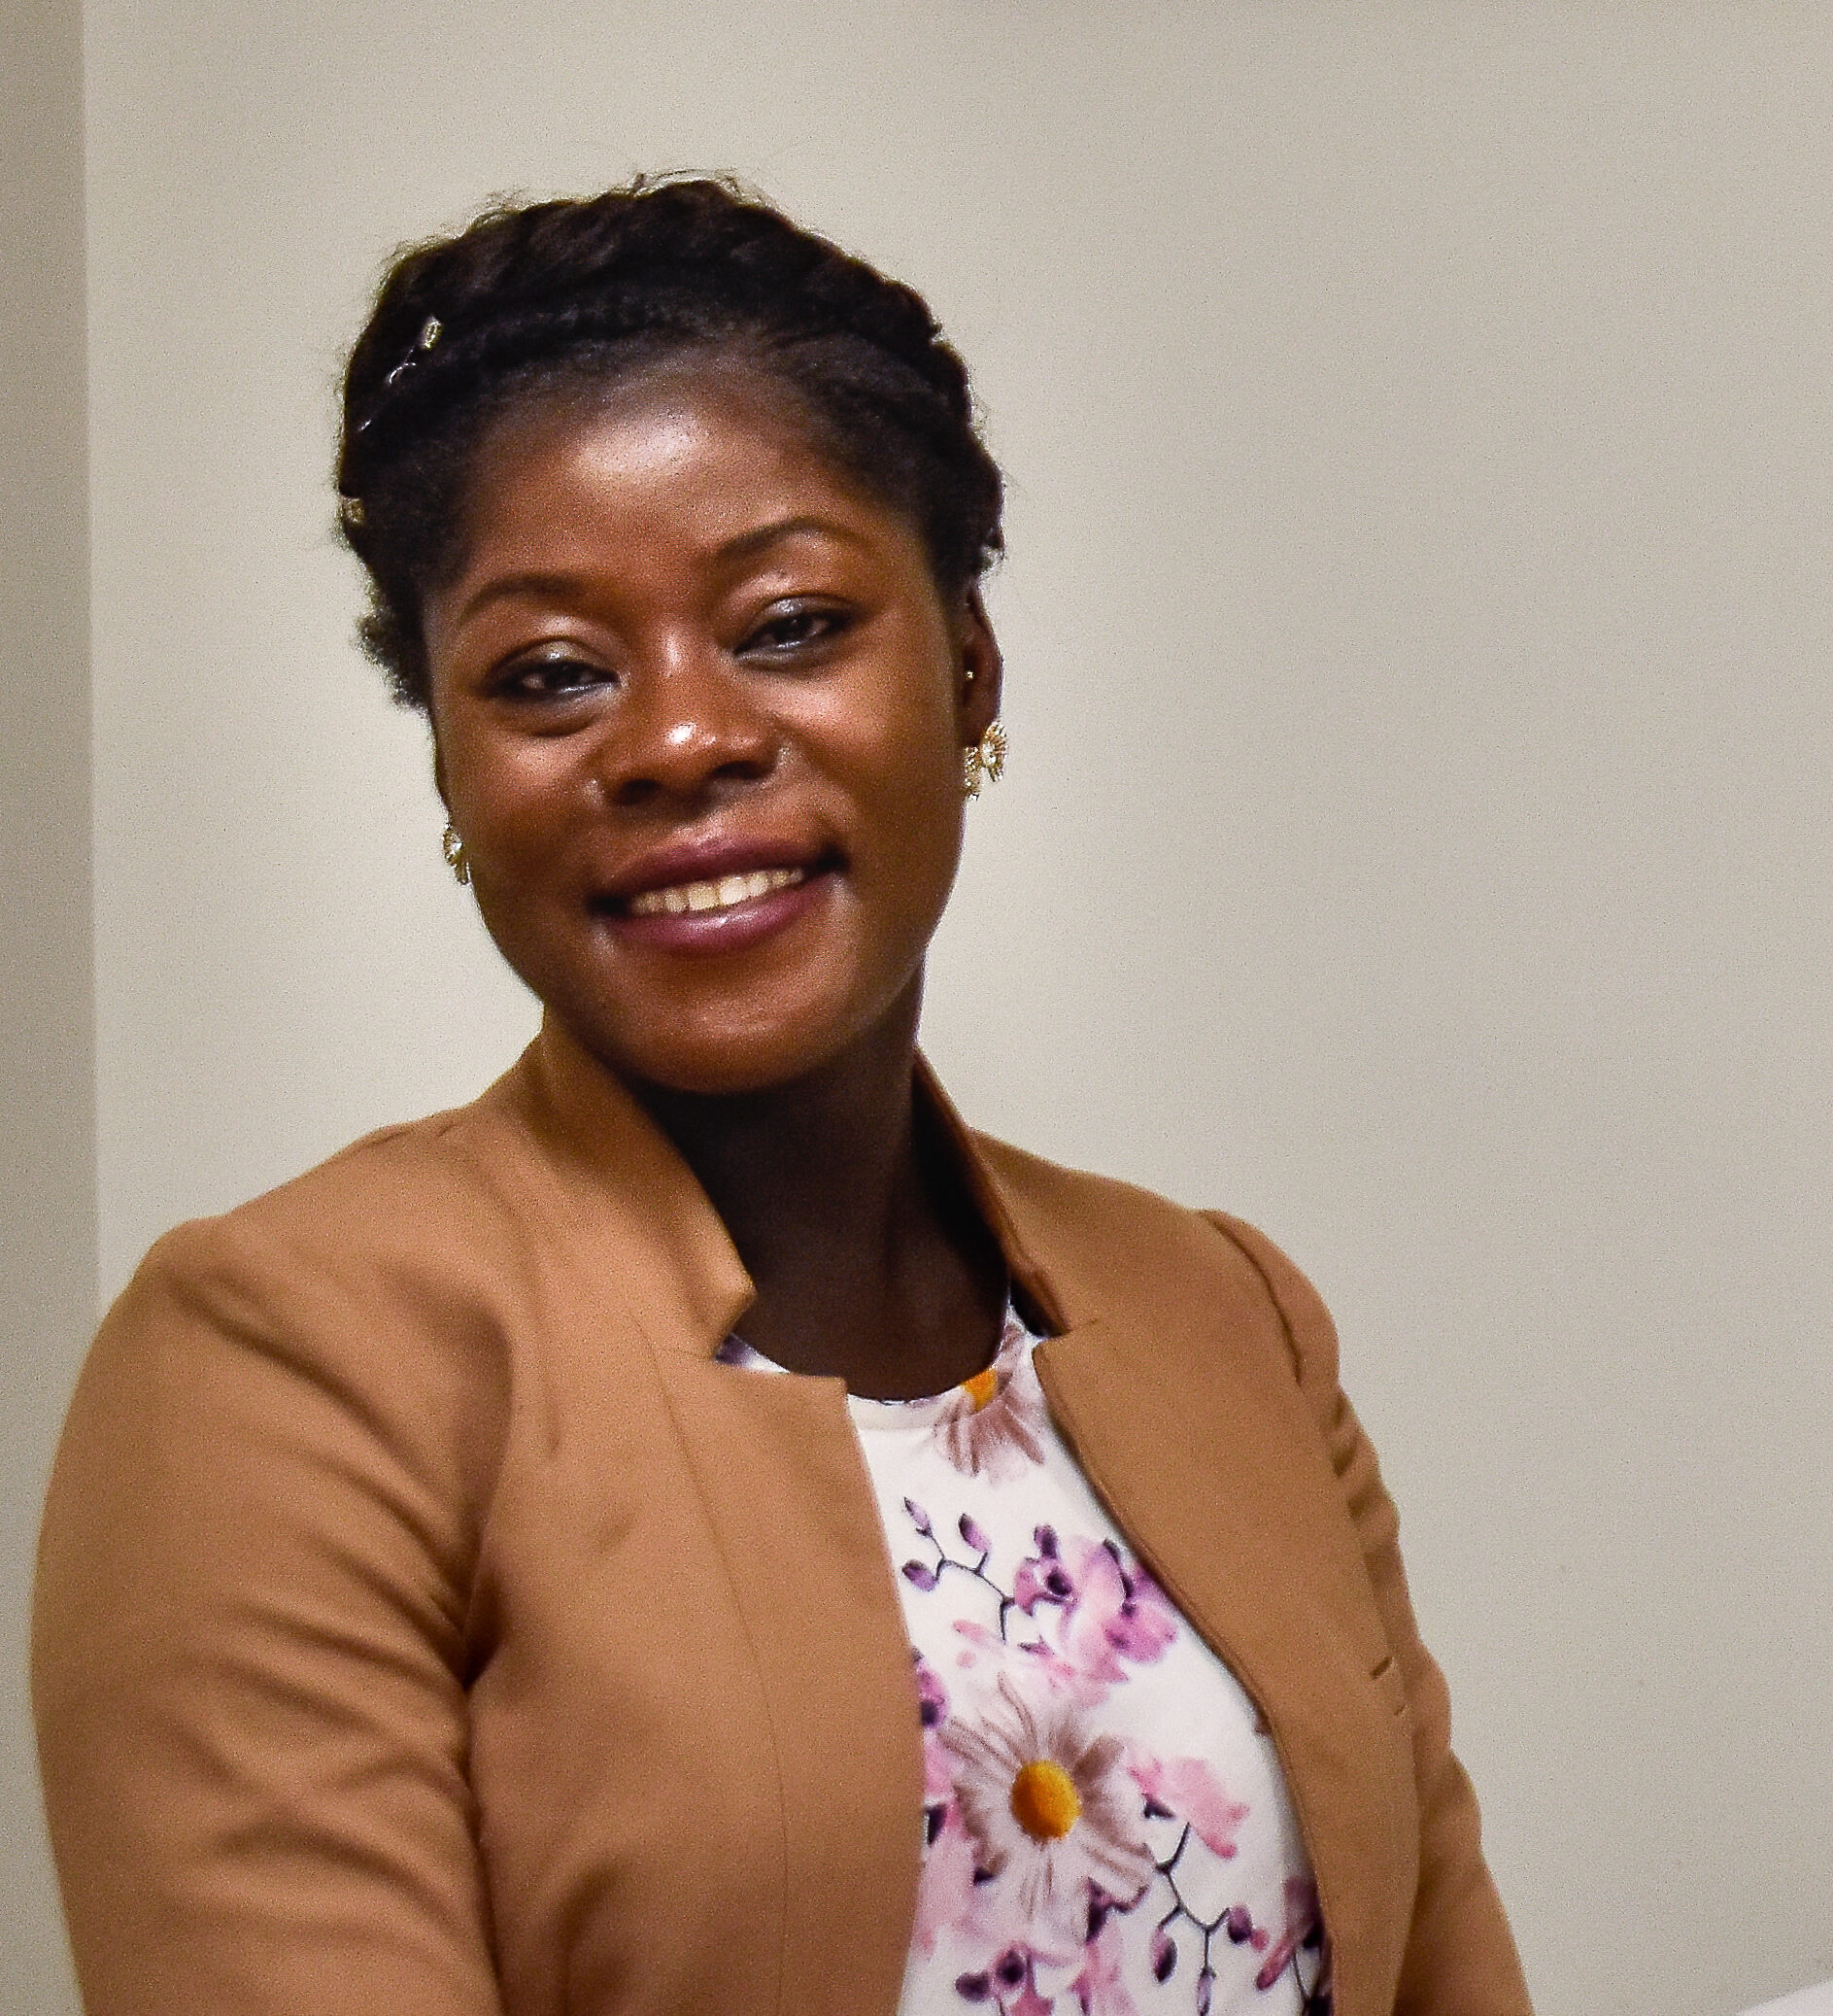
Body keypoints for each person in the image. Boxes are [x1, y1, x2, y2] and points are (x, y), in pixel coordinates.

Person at [32, 177, 1532, 2016]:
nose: (682, 739)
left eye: (792, 624)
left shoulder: (1230, 1317)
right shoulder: (284, 1370)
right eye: (550, 675)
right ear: (449, 764)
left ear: (969, 667)